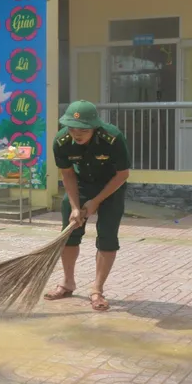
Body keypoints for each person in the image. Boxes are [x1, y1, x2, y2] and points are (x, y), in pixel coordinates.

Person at [45, 100, 130, 312]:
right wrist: (75, 206)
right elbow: (67, 173)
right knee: (69, 232)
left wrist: (96, 202)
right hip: (80, 185)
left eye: (82, 129)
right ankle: (67, 282)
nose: (76, 133)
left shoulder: (112, 138)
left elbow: (122, 174)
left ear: (94, 126)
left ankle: (97, 290)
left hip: (111, 187)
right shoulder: (62, 141)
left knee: (107, 237)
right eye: (72, 128)